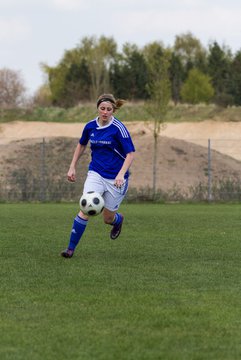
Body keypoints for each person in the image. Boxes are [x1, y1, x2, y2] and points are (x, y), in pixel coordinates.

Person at [61, 94, 135, 258]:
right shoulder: (90, 127)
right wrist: (72, 166)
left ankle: (118, 220)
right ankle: (70, 248)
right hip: (96, 173)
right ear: (97, 108)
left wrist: (121, 174)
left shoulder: (118, 128)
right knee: (85, 207)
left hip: (116, 179)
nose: (105, 112)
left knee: (107, 218)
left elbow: (130, 154)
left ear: (113, 110)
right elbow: (81, 144)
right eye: (102, 108)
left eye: (109, 109)